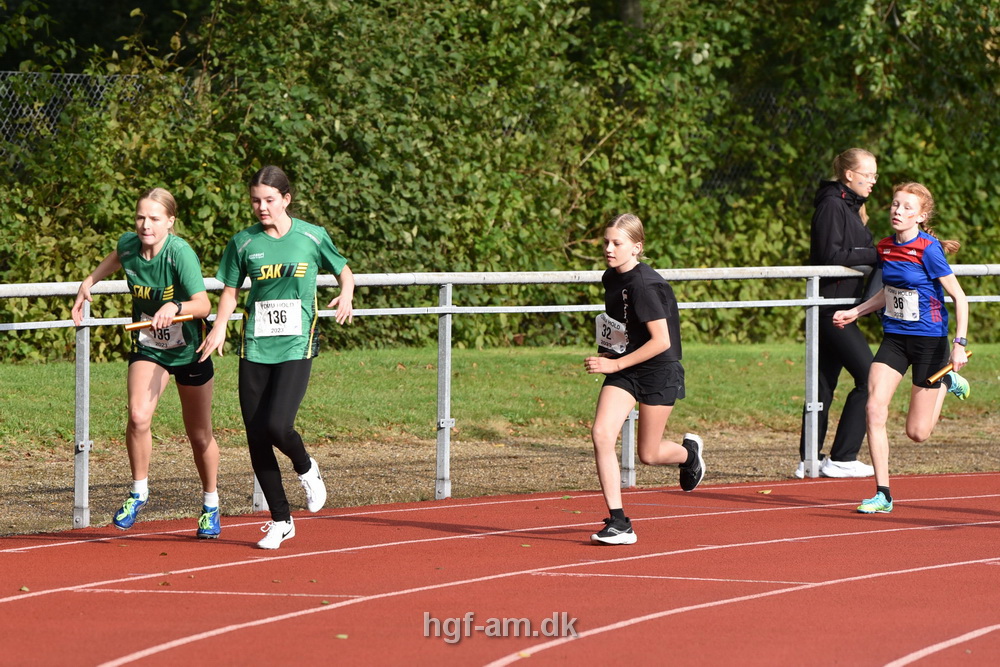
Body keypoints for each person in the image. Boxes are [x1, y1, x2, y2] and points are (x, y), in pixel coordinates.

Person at [198, 165, 354, 549]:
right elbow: (231, 292)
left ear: (286, 199)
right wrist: (219, 327)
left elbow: (344, 270)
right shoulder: (243, 242)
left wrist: (346, 293)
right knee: (255, 435)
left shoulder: (311, 236)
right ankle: (281, 520)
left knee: (278, 425)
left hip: (295, 344)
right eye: (255, 200)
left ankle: (306, 467)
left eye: (269, 200)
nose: (261, 207)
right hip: (255, 345)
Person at [71, 188, 221, 538]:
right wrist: (88, 282)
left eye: (154, 218)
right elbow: (115, 258)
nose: (145, 225)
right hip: (150, 347)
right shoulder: (129, 245)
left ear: (170, 221)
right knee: (138, 416)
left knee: (199, 435)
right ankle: (139, 492)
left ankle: (210, 503)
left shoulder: (179, 253)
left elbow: (203, 305)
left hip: (188, 351)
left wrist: (176, 308)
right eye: (140, 217)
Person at [832, 182, 969, 514]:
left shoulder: (929, 249)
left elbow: (959, 297)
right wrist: (856, 311)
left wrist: (959, 345)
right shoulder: (885, 247)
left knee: (917, 433)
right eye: (895, 205)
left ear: (920, 216)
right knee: (874, 409)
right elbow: (889, 291)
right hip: (894, 339)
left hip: (930, 343)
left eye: (907, 208)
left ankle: (946, 379)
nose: (898, 211)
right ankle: (883, 494)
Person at [584, 213, 704, 546]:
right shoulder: (611, 277)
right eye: (606, 241)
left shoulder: (645, 286)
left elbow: (661, 341)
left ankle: (689, 456)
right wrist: (609, 353)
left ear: (636, 248)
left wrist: (614, 366)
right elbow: (620, 324)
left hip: (658, 370)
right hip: (626, 366)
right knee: (601, 433)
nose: (608, 248)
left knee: (648, 455)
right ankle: (619, 521)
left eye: (617, 243)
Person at [797, 148, 879, 479]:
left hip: (840, 307)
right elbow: (829, 254)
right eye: (868, 174)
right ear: (849, 175)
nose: (873, 181)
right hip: (832, 308)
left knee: (824, 384)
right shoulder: (832, 205)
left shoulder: (852, 207)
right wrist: (878, 253)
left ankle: (809, 459)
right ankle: (842, 456)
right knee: (871, 377)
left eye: (875, 175)